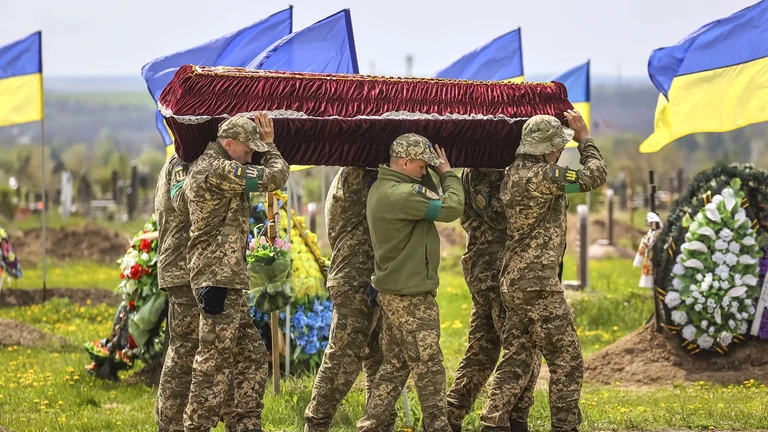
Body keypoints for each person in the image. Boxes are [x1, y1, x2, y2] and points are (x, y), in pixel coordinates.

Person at [480, 111, 607, 432]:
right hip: (537, 284)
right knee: (567, 359)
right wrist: (585, 140)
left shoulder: (514, 173)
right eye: (558, 147)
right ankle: (565, 427)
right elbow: (594, 176)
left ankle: (492, 423)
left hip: (516, 282)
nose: (560, 151)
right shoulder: (542, 175)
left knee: (517, 358)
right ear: (545, 148)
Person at [183, 113, 289, 432]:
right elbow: (274, 177)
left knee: (253, 355)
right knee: (213, 366)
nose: (251, 155)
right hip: (217, 279)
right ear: (229, 144)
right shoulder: (217, 168)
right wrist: (270, 146)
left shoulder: (220, 166)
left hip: (227, 278)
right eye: (248, 149)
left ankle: (245, 424)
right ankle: (196, 426)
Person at [358, 133, 464, 431]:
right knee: (429, 367)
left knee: (395, 364)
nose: (425, 171)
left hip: (394, 291)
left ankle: (371, 424)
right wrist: (447, 174)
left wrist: (429, 168)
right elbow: (451, 209)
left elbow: (423, 189)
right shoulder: (401, 194)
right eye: (421, 166)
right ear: (404, 162)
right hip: (410, 296)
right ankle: (438, 426)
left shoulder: (386, 186)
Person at [446, 167, 541, 432]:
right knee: (522, 346)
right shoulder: (483, 175)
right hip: (498, 274)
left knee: (483, 349)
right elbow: (500, 216)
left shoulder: (477, 172)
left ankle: (451, 415)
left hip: (488, 272)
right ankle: (509, 418)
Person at [304, 167, 395, 431]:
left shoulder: (357, 174)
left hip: (370, 277)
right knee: (344, 357)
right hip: (356, 279)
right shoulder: (357, 175)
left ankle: (380, 423)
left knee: (379, 355)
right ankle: (317, 424)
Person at [154, 150, 197, 432]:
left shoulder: (179, 161)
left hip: (185, 266)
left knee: (187, 347)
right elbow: (182, 203)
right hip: (182, 267)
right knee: (184, 349)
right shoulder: (181, 163)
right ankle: (169, 423)